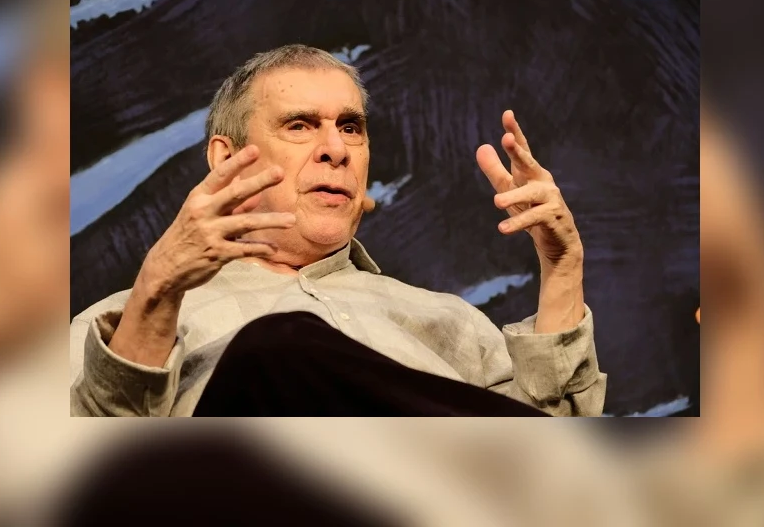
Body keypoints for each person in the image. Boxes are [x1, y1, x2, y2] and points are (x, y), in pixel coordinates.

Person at [70, 44, 607, 416]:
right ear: (226, 159)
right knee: (278, 347)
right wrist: (158, 290)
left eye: (351, 127)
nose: (336, 149)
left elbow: (555, 471)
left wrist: (563, 267)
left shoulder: (455, 323)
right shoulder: (118, 327)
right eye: (300, 125)